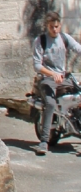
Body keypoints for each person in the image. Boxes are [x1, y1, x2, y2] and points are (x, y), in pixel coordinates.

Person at [32, 11, 81, 155]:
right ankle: (44, 141)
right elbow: (37, 65)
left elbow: (78, 48)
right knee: (51, 103)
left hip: (64, 77)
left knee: (78, 97)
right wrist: (53, 74)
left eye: (57, 26)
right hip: (47, 79)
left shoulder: (65, 38)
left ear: (60, 25)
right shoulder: (40, 41)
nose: (54, 29)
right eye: (51, 27)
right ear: (47, 26)